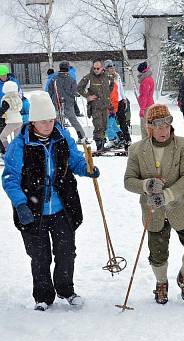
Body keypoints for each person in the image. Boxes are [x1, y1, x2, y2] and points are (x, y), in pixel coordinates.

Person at [2, 91, 100, 311]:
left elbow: (74, 161)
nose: (48, 125)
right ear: (33, 121)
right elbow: (10, 178)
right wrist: (20, 204)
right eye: (43, 121)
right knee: (40, 256)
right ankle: (43, 296)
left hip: (61, 207)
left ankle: (66, 289)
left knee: (66, 252)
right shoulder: (20, 145)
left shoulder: (62, 136)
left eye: (51, 120)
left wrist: (87, 169)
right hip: (31, 209)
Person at [124, 104, 184, 304]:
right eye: (158, 126)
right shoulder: (137, 149)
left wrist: (167, 195)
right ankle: (161, 282)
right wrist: (147, 184)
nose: (163, 130)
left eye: (167, 125)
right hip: (153, 211)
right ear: (150, 127)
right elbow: (129, 181)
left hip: (183, 207)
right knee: (158, 255)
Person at [47, 61, 87, 144]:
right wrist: (77, 95)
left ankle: (58, 138)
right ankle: (82, 137)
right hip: (68, 103)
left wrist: (51, 99)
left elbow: (50, 91)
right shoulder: (71, 79)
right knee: (73, 121)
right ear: (68, 68)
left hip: (57, 102)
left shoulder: (54, 78)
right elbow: (75, 91)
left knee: (58, 121)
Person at [78, 59, 114, 151]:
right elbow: (79, 88)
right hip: (95, 106)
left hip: (105, 106)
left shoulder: (108, 76)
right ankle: (99, 145)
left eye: (98, 68)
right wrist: (88, 96)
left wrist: (107, 98)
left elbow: (111, 87)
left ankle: (103, 143)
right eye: (94, 68)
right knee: (98, 125)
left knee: (105, 125)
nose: (96, 70)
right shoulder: (89, 77)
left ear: (102, 68)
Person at [104, 60, 131, 150]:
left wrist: (124, 98)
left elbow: (120, 89)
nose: (112, 69)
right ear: (106, 69)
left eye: (113, 67)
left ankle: (125, 139)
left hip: (119, 102)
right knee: (113, 123)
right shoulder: (105, 78)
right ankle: (119, 138)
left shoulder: (117, 76)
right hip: (111, 103)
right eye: (110, 67)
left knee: (121, 122)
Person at [0, 81, 23, 158]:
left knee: (2, 136)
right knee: (16, 140)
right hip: (19, 121)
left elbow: (2, 111)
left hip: (12, 122)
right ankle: (17, 155)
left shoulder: (6, 100)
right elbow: (20, 109)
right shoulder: (18, 98)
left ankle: (8, 152)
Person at [136, 61, 155, 140]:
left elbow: (144, 95)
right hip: (150, 104)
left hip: (146, 107)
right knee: (150, 126)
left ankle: (146, 145)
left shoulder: (145, 81)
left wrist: (142, 109)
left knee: (145, 128)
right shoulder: (149, 78)